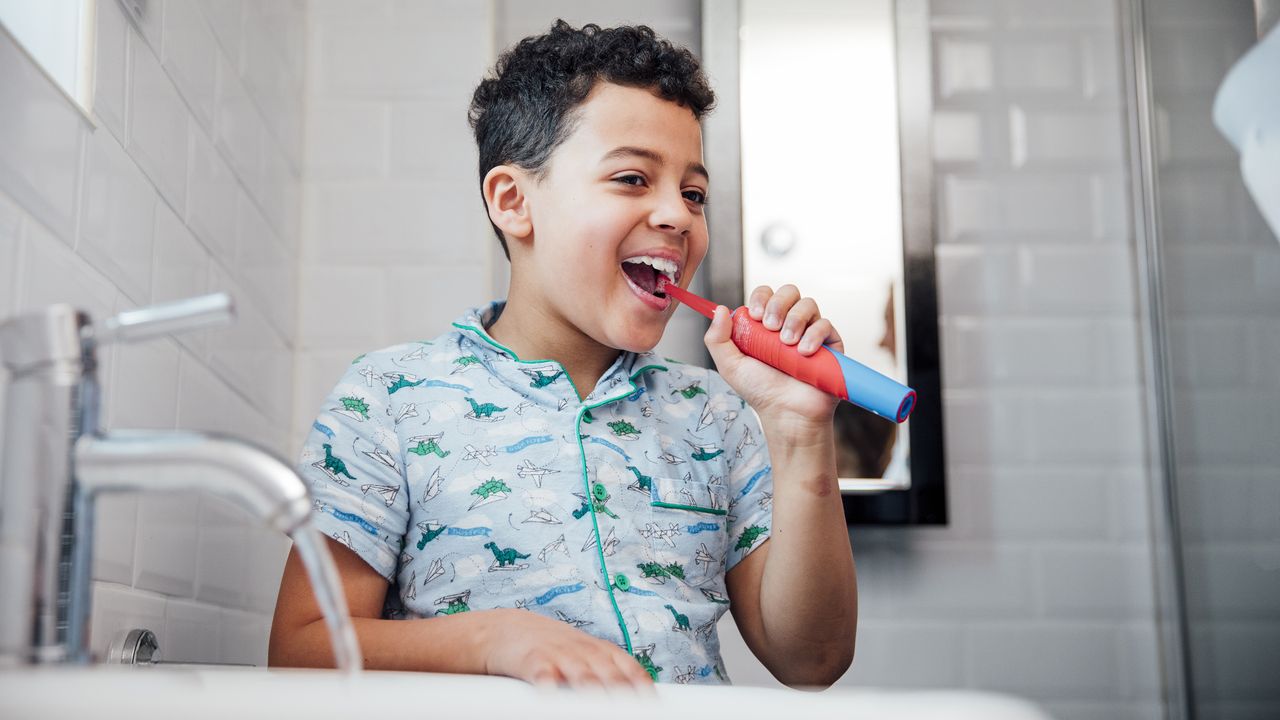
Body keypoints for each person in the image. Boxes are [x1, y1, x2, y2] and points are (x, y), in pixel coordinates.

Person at [269, 20, 856, 689]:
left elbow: (813, 660)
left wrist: (803, 433)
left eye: (694, 193)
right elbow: (302, 647)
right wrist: (494, 636)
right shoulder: (390, 398)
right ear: (514, 202)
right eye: (634, 178)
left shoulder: (714, 415)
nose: (678, 215)